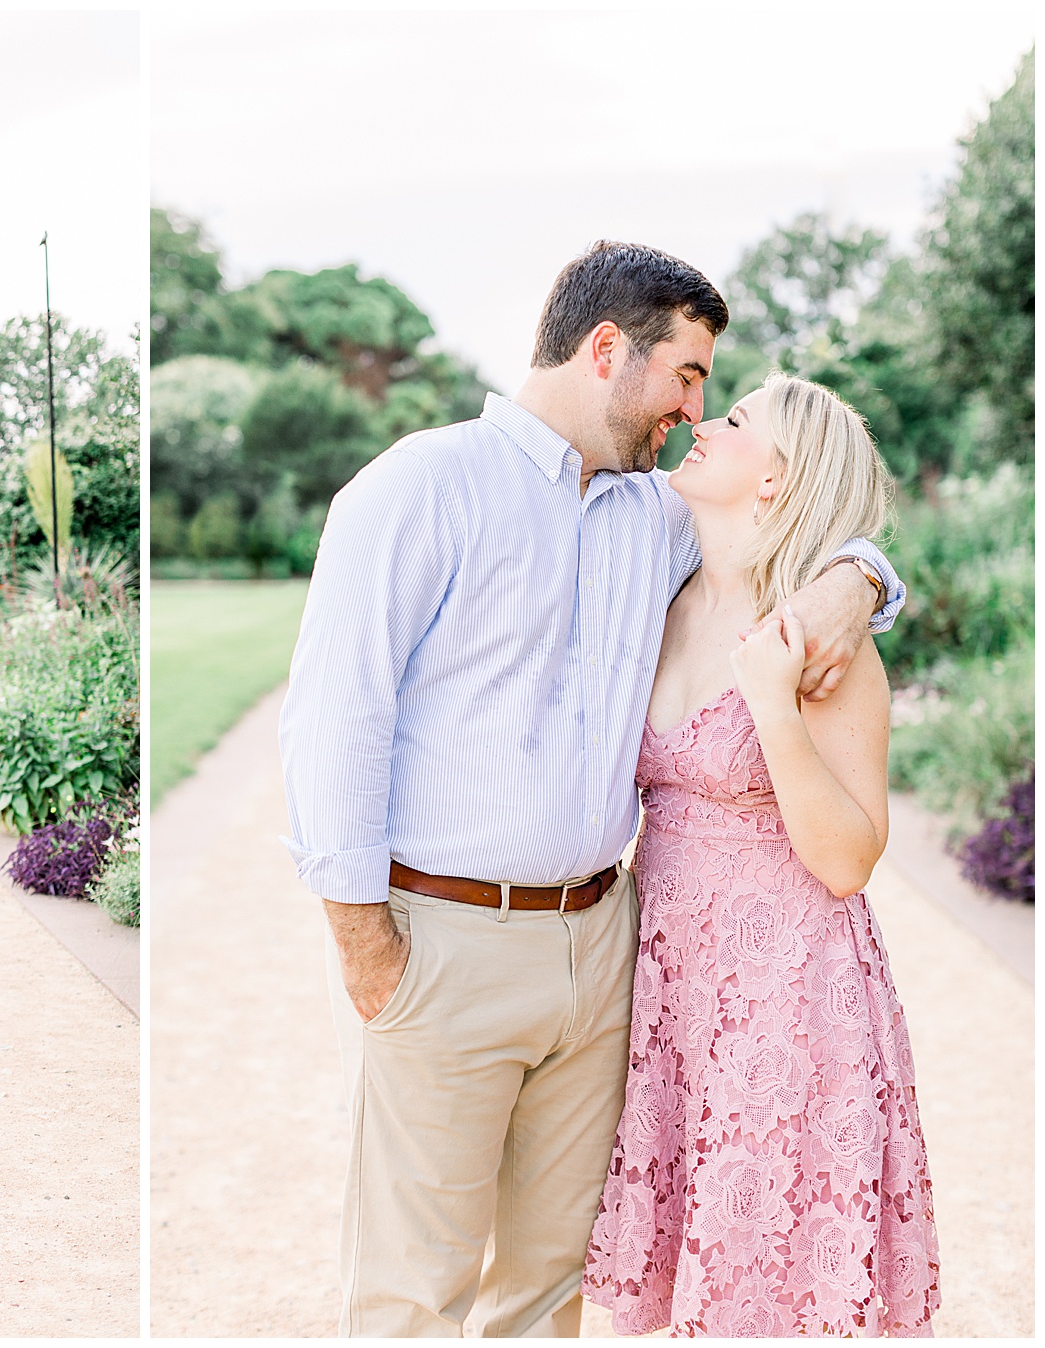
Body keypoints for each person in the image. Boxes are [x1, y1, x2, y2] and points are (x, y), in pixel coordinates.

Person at [279, 241, 906, 1337]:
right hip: (442, 944)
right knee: (412, 1291)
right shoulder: (420, 487)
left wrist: (864, 581)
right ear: (608, 349)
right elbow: (335, 720)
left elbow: (795, 531)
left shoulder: (655, 521)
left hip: (604, 950)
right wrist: (364, 947)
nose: (691, 408)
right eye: (689, 374)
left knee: (549, 1288)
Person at [582, 374, 939, 1336]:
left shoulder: (824, 645)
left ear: (779, 478)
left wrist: (773, 705)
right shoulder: (663, 591)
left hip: (789, 993)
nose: (703, 423)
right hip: (667, 987)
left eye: (735, 421)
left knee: (770, 1285)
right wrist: (864, 569)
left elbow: (851, 859)